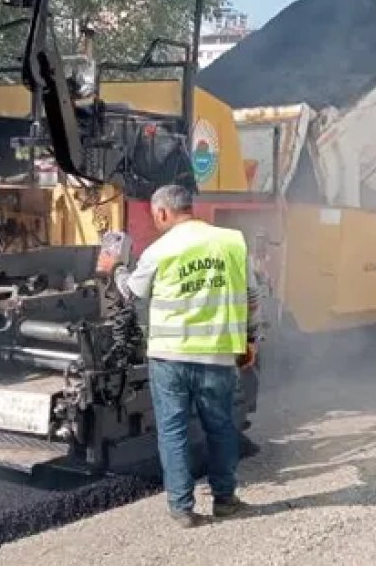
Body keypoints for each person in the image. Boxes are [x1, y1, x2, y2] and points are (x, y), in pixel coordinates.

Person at [112, 184, 261, 528]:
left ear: (163, 212)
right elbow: (251, 297)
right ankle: (225, 500)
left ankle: (182, 509)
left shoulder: (158, 250)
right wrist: (250, 340)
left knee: (173, 430)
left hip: (170, 357)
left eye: (155, 216)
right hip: (218, 355)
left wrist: (115, 267)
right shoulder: (232, 242)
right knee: (221, 428)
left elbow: (130, 292)